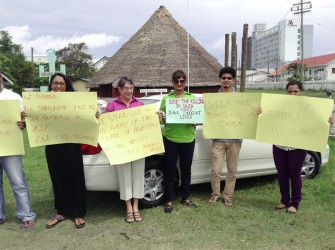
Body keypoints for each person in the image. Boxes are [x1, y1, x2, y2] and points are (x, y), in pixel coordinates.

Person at [257, 80, 333, 214]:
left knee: (295, 175)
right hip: (279, 146)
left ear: (300, 92)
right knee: (282, 174)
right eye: (290, 91)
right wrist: (261, 113)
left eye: (295, 91)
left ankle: (295, 203)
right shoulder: (278, 106)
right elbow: (268, 117)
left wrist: (328, 121)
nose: (292, 94)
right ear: (286, 92)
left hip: (298, 147)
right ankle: (284, 200)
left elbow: (318, 122)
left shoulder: (308, 107)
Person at [44, 73, 95, 229]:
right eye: (55, 83)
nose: (58, 86)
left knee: (75, 178)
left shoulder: (76, 101)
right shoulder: (42, 102)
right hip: (53, 146)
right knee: (57, 178)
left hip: (71, 146)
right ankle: (60, 212)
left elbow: (85, 118)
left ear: (67, 86)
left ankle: (78, 213)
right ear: (51, 85)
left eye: (61, 83)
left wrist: (93, 115)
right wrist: (28, 116)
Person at [105, 76, 145, 223]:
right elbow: (106, 128)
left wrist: (155, 117)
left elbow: (146, 125)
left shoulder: (140, 104)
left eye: (131, 88)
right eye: (126, 88)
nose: (129, 91)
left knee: (138, 176)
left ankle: (136, 207)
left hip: (138, 147)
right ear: (119, 90)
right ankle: (128, 207)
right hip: (121, 149)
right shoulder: (112, 106)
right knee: (124, 177)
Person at [0, 71, 36, 229]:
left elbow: (26, 118)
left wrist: (23, 123)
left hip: (10, 145)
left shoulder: (14, 97)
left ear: (1, 77)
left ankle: (26, 215)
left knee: (18, 181)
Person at [158, 70, 197, 213]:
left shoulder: (192, 98)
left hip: (188, 138)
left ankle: (186, 197)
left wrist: (196, 122)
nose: (179, 84)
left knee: (186, 170)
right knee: (169, 170)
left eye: (182, 81)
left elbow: (198, 118)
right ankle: (169, 200)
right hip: (170, 138)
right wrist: (162, 118)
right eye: (176, 81)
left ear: (185, 82)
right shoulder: (166, 99)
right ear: (172, 83)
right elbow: (159, 117)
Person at [208, 67, 242, 206]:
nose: (226, 81)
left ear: (233, 80)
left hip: (235, 140)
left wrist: (256, 111)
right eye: (224, 78)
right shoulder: (212, 99)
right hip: (218, 139)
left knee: (232, 170)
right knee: (216, 170)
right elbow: (205, 115)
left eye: (229, 78)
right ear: (220, 80)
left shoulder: (241, 100)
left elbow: (248, 116)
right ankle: (215, 194)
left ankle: (228, 196)